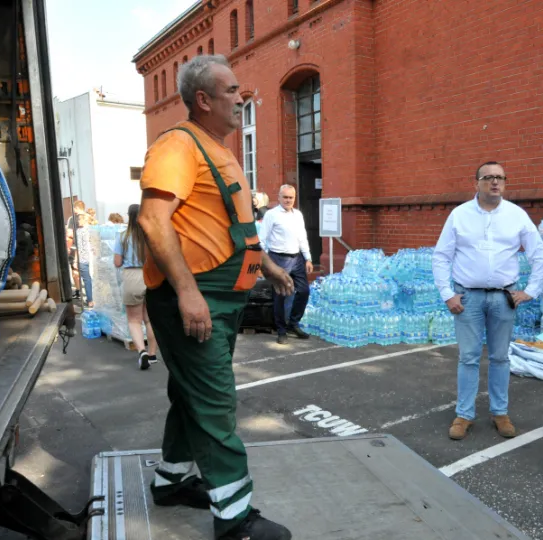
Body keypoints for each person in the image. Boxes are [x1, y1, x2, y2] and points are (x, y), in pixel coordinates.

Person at [137, 54, 294, 540]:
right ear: (202, 100)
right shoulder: (177, 146)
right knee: (215, 401)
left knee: (190, 395)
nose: (240, 96)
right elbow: (152, 221)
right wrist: (187, 293)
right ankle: (235, 519)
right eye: (231, 90)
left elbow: (236, 227)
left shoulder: (221, 151)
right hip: (196, 297)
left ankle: (169, 483)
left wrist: (268, 265)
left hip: (226, 298)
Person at [433, 161, 543, 441]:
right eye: (488, 178)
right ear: (476, 184)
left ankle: (500, 412)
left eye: (499, 178)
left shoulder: (516, 215)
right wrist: (447, 294)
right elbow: (441, 257)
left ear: (505, 183)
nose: (494, 182)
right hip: (468, 298)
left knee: (500, 357)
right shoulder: (459, 215)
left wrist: (530, 291)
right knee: (469, 357)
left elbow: (540, 255)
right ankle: (464, 414)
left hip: (503, 298)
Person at [258, 185, 313, 344]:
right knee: (280, 296)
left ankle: (293, 324)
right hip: (278, 258)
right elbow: (262, 239)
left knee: (303, 291)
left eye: (291, 198)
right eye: (285, 197)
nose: (288, 200)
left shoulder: (298, 215)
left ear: (294, 198)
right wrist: (265, 263)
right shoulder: (271, 215)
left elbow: (302, 237)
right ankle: (281, 330)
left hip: (297, 259)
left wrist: (308, 258)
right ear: (279, 197)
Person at [113, 204, 159, 370]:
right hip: (151, 276)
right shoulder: (150, 235)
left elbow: (117, 262)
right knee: (150, 318)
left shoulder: (122, 237)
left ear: (129, 216)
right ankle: (153, 354)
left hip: (132, 277)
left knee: (134, 320)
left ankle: (142, 351)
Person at [75, 212, 94, 307]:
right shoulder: (93, 230)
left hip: (83, 258)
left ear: (84, 220)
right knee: (93, 279)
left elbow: (78, 247)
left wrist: (75, 260)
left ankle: (90, 300)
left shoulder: (79, 231)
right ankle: (95, 299)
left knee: (87, 280)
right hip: (92, 258)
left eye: (79, 219)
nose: (77, 221)